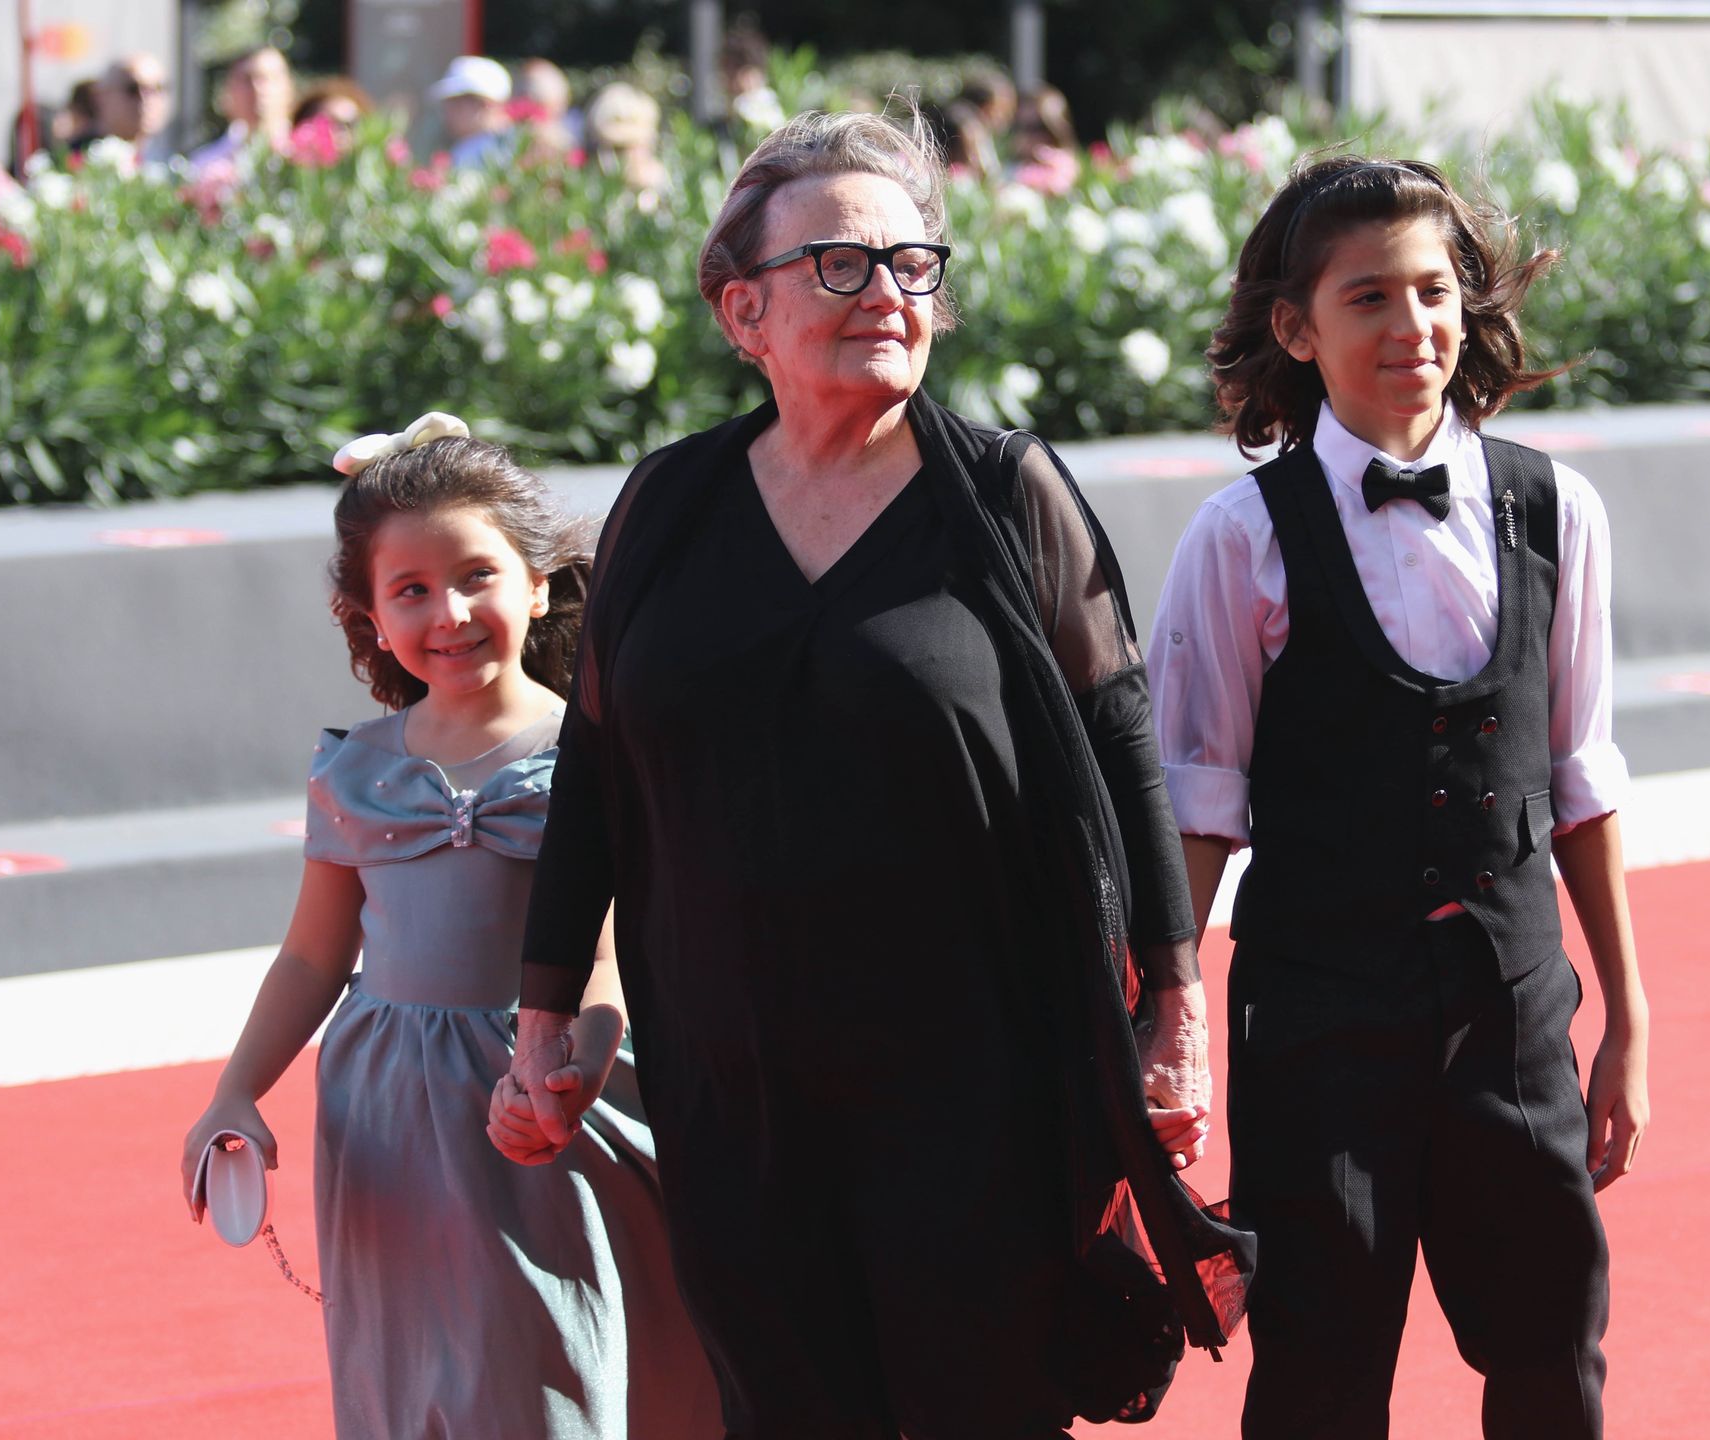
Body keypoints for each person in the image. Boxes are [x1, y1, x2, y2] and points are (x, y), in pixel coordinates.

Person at [494, 108, 1252, 1438]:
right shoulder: (668, 508)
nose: (889, 292)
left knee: (978, 1409)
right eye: (842, 264)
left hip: (976, 1092)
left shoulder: (1005, 495)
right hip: (731, 1084)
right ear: (745, 312)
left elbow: (1127, 752)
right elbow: (597, 771)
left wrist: (1174, 1012)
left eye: (914, 265)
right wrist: (545, 1013)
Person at [1147, 154, 1651, 1438]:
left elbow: (1584, 783)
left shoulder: (1558, 511)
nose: (1410, 327)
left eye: (1432, 292)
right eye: (1366, 297)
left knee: (1551, 1355)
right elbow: (1197, 809)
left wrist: (1628, 1025)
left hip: (1517, 1016)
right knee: (1318, 1372)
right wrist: (1161, 1026)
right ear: (1296, 328)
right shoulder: (1239, 538)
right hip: (1315, 1026)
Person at [178, 414, 719, 1439]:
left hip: (547, 1099)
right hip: (387, 1115)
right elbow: (311, 954)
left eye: (476, 576)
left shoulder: (598, 754)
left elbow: (618, 952)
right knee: (418, 1367)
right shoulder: (354, 770)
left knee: (558, 1364)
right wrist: (235, 1092)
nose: (449, 611)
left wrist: (570, 1066)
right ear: (370, 618)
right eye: (411, 590)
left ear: (540, 584)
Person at [188, 46, 292, 173]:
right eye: (247, 80)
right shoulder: (204, 165)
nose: (257, 89)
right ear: (228, 91)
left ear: (289, 88)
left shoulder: (307, 156)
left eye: (267, 78)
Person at [76, 53, 172, 163]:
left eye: (157, 89)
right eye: (133, 89)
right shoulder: (76, 159)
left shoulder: (169, 163)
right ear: (101, 97)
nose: (146, 99)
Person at [584, 82, 666, 200]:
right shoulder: (592, 182)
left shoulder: (657, 181)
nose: (624, 156)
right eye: (618, 149)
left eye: (629, 146)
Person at [427, 55, 511, 169]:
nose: (448, 110)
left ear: (484, 104)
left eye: (456, 102)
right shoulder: (467, 147)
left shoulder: (477, 151)